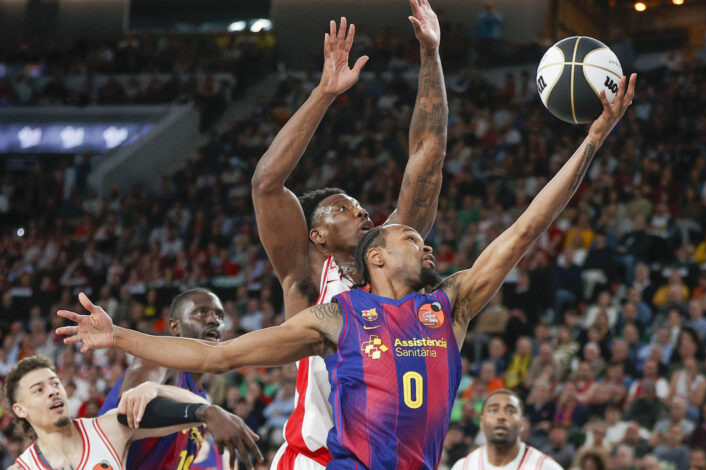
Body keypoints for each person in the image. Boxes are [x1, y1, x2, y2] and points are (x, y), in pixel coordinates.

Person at [57, 75, 637, 469]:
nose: (424, 243)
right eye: (410, 237)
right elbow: (219, 355)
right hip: (317, 457)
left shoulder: (448, 304)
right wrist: (119, 336)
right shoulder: (328, 307)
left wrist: (591, 140)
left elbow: (520, 226)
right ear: (373, 255)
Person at [250, 2, 448, 468]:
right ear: (316, 234)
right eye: (343, 208)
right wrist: (324, 93)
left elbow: (428, 154)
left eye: (360, 206)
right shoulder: (306, 274)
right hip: (313, 459)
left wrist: (431, 57)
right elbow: (266, 184)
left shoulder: (392, 260)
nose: (361, 211)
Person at [96, 287, 261, 470]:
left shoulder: (200, 403)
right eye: (201, 313)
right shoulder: (159, 356)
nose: (214, 320)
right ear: (175, 327)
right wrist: (203, 412)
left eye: (220, 316)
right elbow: (128, 410)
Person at [4, 355, 259, 470]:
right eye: (39, 390)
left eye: (55, 383)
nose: (52, 391)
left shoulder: (107, 429)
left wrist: (206, 410)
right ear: (20, 409)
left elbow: (195, 411)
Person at [451, 390, 563, 470]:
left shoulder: (545, 467)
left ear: (522, 423)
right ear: (482, 422)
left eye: (510, 411)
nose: (501, 416)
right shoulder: (463, 466)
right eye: (493, 410)